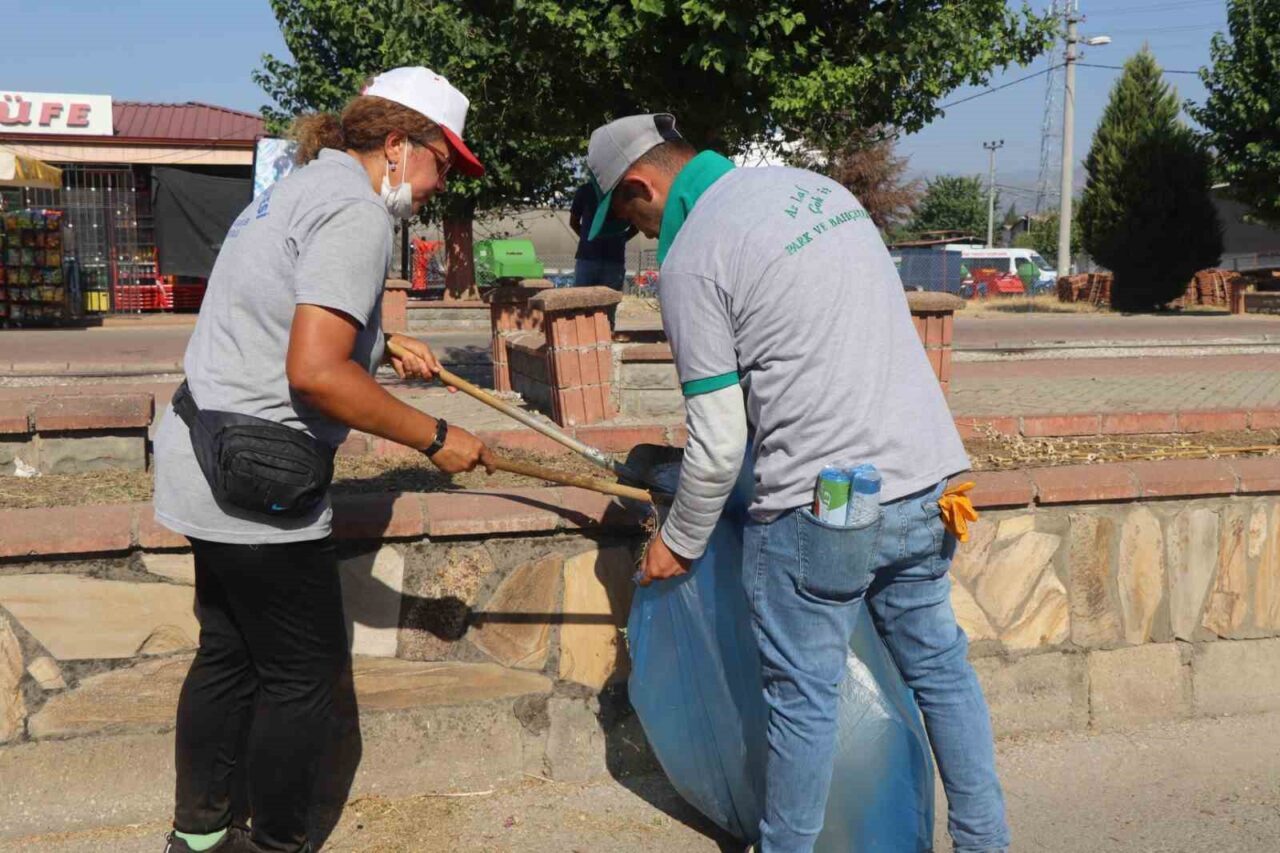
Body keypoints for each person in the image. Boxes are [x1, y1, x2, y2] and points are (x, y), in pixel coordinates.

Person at [584, 114, 1009, 853]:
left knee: (803, 703)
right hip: (929, 482)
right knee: (942, 670)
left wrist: (676, 544)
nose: (645, 236)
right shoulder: (820, 192)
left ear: (641, 186)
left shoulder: (693, 260)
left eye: (632, 218)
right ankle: (985, 842)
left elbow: (719, 444)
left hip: (824, 507)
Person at [153, 67, 494, 853]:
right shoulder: (356, 211)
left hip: (201, 452)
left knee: (228, 654)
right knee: (302, 680)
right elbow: (313, 371)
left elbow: (281, 314)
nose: (441, 184)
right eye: (444, 163)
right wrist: (437, 438)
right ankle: (276, 843)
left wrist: (378, 341)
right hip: (258, 477)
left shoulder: (300, 186)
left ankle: (198, 837)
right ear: (401, 146)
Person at [569, 180, 631, 288]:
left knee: (582, 300)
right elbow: (635, 226)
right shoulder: (624, 191)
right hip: (606, 259)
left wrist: (588, 238)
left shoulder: (586, 190)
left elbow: (573, 222)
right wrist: (620, 240)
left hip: (595, 259)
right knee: (589, 301)